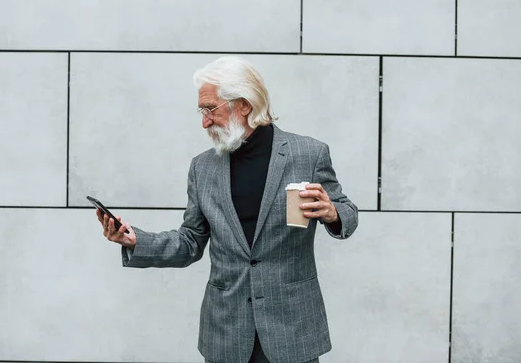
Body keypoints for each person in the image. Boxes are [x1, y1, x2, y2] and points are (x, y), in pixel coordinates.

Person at [96, 56, 358, 363]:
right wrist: (135, 240)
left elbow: (347, 212)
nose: (204, 121)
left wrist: (333, 214)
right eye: (202, 111)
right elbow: (190, 242)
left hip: (292, 328)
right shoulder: (202, 168)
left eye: (210, 109)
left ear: (244, 104)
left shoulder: (308, 154)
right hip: (227, 331)